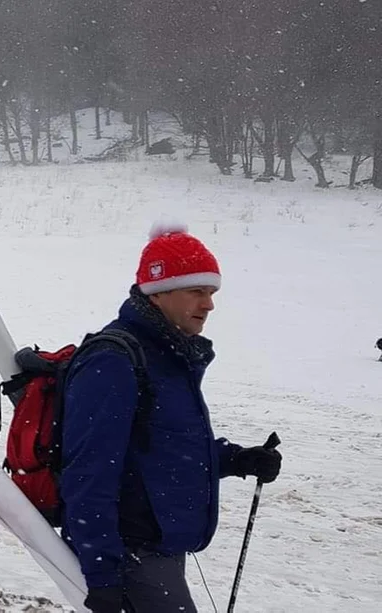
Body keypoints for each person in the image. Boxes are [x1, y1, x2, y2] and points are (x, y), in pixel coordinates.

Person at [60, 223, 283, 612]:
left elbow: (163, 446)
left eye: (211, 292)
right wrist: (102, 574)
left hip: (157, 548)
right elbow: (88, 473)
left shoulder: (170, 355)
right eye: (196, 291)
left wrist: (237, 459)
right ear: (158, 292)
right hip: (129, 553)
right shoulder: (114, 360)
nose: (209, 304)